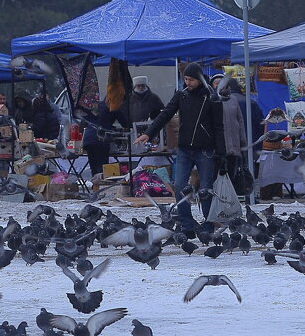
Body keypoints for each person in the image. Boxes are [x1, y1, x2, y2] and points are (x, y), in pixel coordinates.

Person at [135, 62, 225, 231]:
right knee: (179, 186)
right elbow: (165, 114)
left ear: (199, 79)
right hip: (184, 148)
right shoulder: (181, 95)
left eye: (191, 80)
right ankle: (186, 223)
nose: (187, 83)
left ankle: (208, 223)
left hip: (205, 149)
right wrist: (149, 133)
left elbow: (219, 127)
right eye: (185, 79)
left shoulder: (212, 97)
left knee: (206, 188)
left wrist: (221, 153)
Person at [81, 100, 131, 180]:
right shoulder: (114, 105)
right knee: (102, 168)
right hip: (101, 138)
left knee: (94, 167)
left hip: (88, 138)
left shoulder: (96, 105)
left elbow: (84, 121)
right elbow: (125, 124)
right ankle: (101, 186)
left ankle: (96, 186)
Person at [212, 73, 247, 176]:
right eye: (217, 83)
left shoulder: (233, 99)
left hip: (234, 145)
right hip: (218, 147)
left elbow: (240, 120)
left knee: (232, 175)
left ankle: (231, 192)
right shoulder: (212, 99)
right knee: (217, 175)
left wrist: (243, 141)